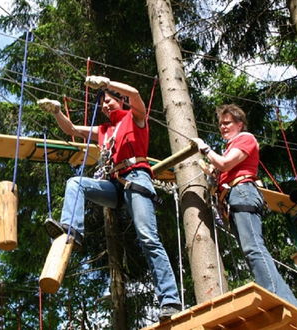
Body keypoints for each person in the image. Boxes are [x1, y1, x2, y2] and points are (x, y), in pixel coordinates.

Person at [37, 76, 182, 321]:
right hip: (115, 185)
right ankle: (71, 230)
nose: (105, 105)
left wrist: (107, 84)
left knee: (148, 237)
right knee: (76, 183)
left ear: (120, 100)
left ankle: (170, 301)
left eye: (109, 101)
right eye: (102, 103)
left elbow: (135, 94)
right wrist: (57, 112)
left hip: (136, 178)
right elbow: (72, 130)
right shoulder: (104, 130)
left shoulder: (134, 118)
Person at [192, 104, 297, 306]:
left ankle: (276, 297)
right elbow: (222, 169)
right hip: (234, 196)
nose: (222, 127)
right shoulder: (231, 146)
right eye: (221, 124)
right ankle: (286, 299)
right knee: (251, 250)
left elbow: (225, 164)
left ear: (239, 124)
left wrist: (204, 148)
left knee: (253, 248)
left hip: (242, 192)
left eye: (227, 123)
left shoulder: (245, 138)